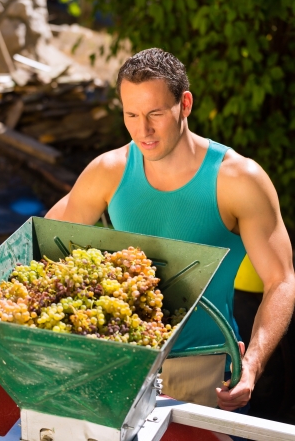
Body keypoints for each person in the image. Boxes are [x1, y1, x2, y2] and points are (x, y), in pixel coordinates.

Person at [46, 48, 295, 418]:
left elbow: (281, 280)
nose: (142, 130)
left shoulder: (239, 180)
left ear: (185, 104)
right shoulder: (108, 171)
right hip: (118, 360)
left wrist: (254, 363)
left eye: (155, 114)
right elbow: (43, 249)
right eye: (131, 115)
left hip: (202, 368)